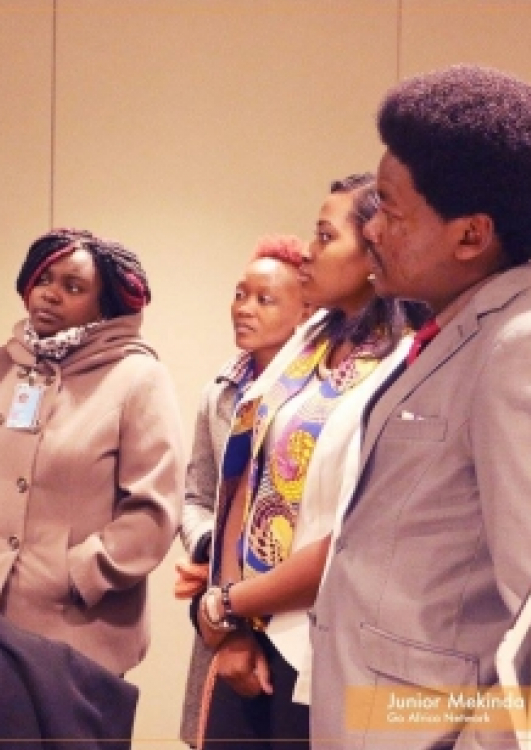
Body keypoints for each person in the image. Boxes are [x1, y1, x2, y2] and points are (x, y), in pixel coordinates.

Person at [308, 66, 531, 749]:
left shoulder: (525, 344)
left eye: (392, 211)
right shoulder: (441, 328)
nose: (371, 230)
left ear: (470, 236)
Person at [194, 176, 424, 749]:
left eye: (325, 236)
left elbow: (357, 527)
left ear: (375, 247)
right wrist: (233, 623)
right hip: (249, 626)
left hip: (326, 637)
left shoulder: (409, 356)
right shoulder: (313, 336)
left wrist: (230, 601)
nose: (308, 252)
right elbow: (244, 466)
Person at [0, 228, 183, 676]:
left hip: (71, 630)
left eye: (74, 287)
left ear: (107, 306)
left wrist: (82, 572)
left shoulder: (138, 378)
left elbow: (153, 510)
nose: (51, 295)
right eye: (45, 279)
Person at [174, 233, 309, 747]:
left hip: (291, 605)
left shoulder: (318, 394)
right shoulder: (221, 391)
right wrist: (212, 548)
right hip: (223, 596)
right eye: (239, 294)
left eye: (265, 299)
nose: (243, 309)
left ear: (304, 310)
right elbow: (196, 495)